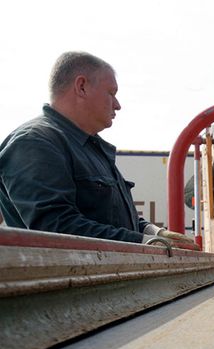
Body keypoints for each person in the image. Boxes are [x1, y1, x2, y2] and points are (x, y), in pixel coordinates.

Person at [0, 51, 196, 248]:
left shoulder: (90, 147)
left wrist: (152, 231)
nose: (117, 105)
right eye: (111, 93)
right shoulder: (34, 143)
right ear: (82, 86)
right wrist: (147, 243)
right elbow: (56, 228)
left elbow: (113, 218)